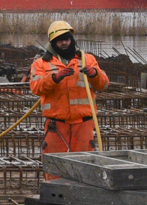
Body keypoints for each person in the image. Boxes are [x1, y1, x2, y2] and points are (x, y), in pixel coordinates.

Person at [29, 19, 109, 155]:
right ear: (53, 42)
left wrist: (95, 74)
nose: (64, 43)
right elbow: (36, 88)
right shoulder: (41, 63)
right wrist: (54, 78)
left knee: (85, 163)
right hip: (56, 123)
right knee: (54, 164)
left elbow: (104, 85)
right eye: (60, 40)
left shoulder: (87, 59)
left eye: (66, 39)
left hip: (83, 123)